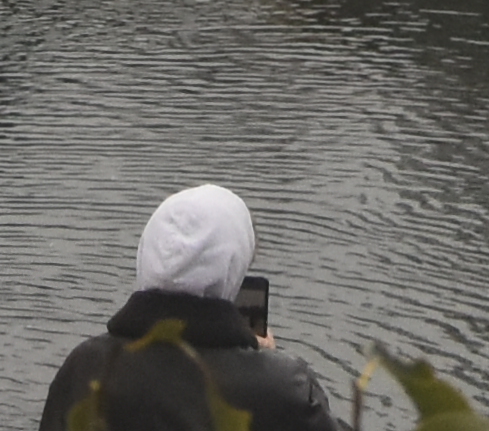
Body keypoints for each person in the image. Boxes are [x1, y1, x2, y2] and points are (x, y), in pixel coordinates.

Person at [41, 183, 332, 430]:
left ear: (147, 255)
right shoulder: (284, 387)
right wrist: (267, 364)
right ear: (231, 270)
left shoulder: (85, 368)